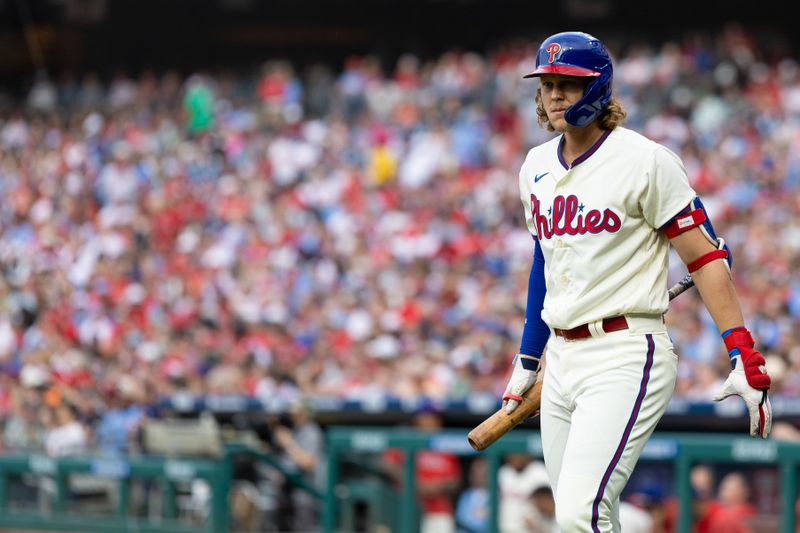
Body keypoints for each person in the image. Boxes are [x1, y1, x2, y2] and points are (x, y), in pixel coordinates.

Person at [501, 31, 773, 532]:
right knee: (578, 519)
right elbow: (545, 265)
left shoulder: (645, 159)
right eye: (547, 83)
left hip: (624, 351)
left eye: (568, 83)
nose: (554, 94)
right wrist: (527, 360)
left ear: (599, 87)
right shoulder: (534, 166)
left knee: (584, 513)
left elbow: (706, 257)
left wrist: (742, 350)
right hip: (560, 358)